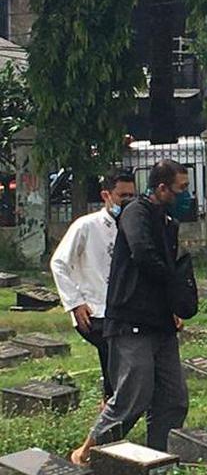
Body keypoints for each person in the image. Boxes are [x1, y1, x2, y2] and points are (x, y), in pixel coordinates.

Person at [71, 160, 193, 464]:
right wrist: (171, 281)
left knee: (173, 398)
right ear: (162, 188)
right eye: (182, 189)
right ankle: (88, 452)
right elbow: (143, 253)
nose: (186, 196)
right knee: (133, 395)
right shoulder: (136, 212)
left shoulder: (168, 223)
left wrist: (174, 303)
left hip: (161, 322)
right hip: (131, 320)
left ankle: (158, 459)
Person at [50, 171, 137, 407]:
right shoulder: (86, 226)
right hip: (94, 309)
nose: (127, 201)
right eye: (122, 196)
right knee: (113, 349)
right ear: (106, 195)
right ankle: (111, 407)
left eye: (132, 195)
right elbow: (59, 263)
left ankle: (113, 406)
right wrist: (75, 302)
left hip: (126, 308)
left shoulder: (135, 226)